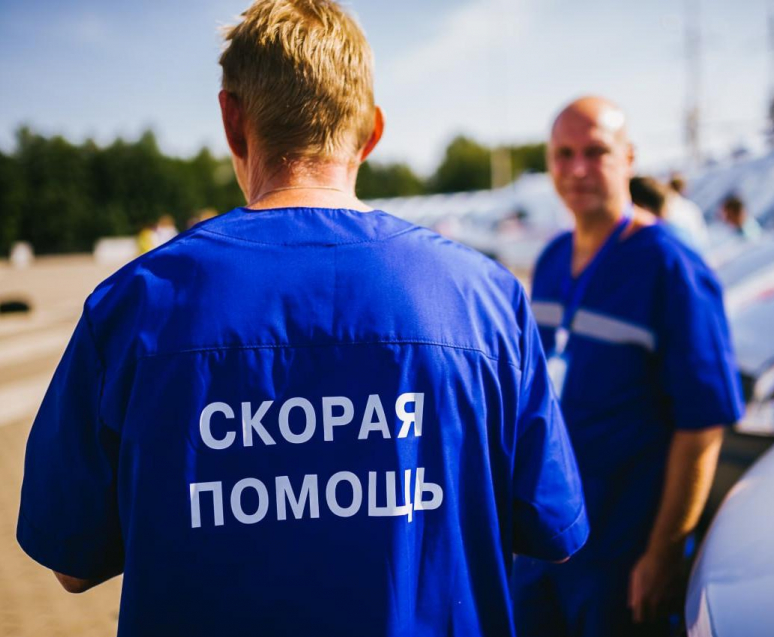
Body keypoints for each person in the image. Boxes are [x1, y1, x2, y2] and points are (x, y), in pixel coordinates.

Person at [17, 2, 588, 636]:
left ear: (232, 122)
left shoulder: (131, 307)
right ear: (371, 132)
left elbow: (72, 559)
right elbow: (552, 530)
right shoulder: (485, 301)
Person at [512, 96, 743, 637]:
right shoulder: (549, 261)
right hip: (548, 544)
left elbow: (702, 426)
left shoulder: (672, 266)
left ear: (630, 157)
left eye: (596, 151)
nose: (576, 169)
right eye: (562, 154)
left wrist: (663, 554)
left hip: (623, 553)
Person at [665, 174, 709, 253]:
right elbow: (700, 235)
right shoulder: (691, 208)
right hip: (692, 250)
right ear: (684, 189)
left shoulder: (664, 208)